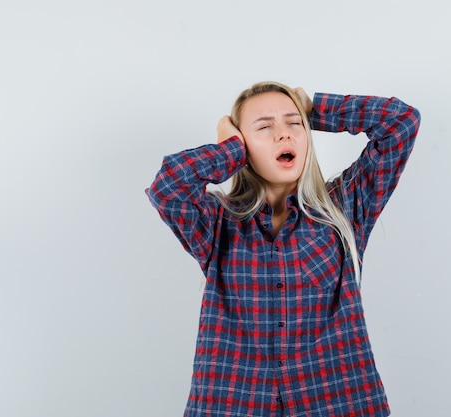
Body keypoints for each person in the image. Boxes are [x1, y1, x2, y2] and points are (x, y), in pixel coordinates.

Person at [146, 81, 421, 417]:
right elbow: (168, 187)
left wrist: (316, 109)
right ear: (243, 146)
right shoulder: (216, 222)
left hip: (338, 403)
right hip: (232, 404)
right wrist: (229, 148)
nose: (284, 135)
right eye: (264, 127)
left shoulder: (345, 206)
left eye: (295, 124)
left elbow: (401, 122)